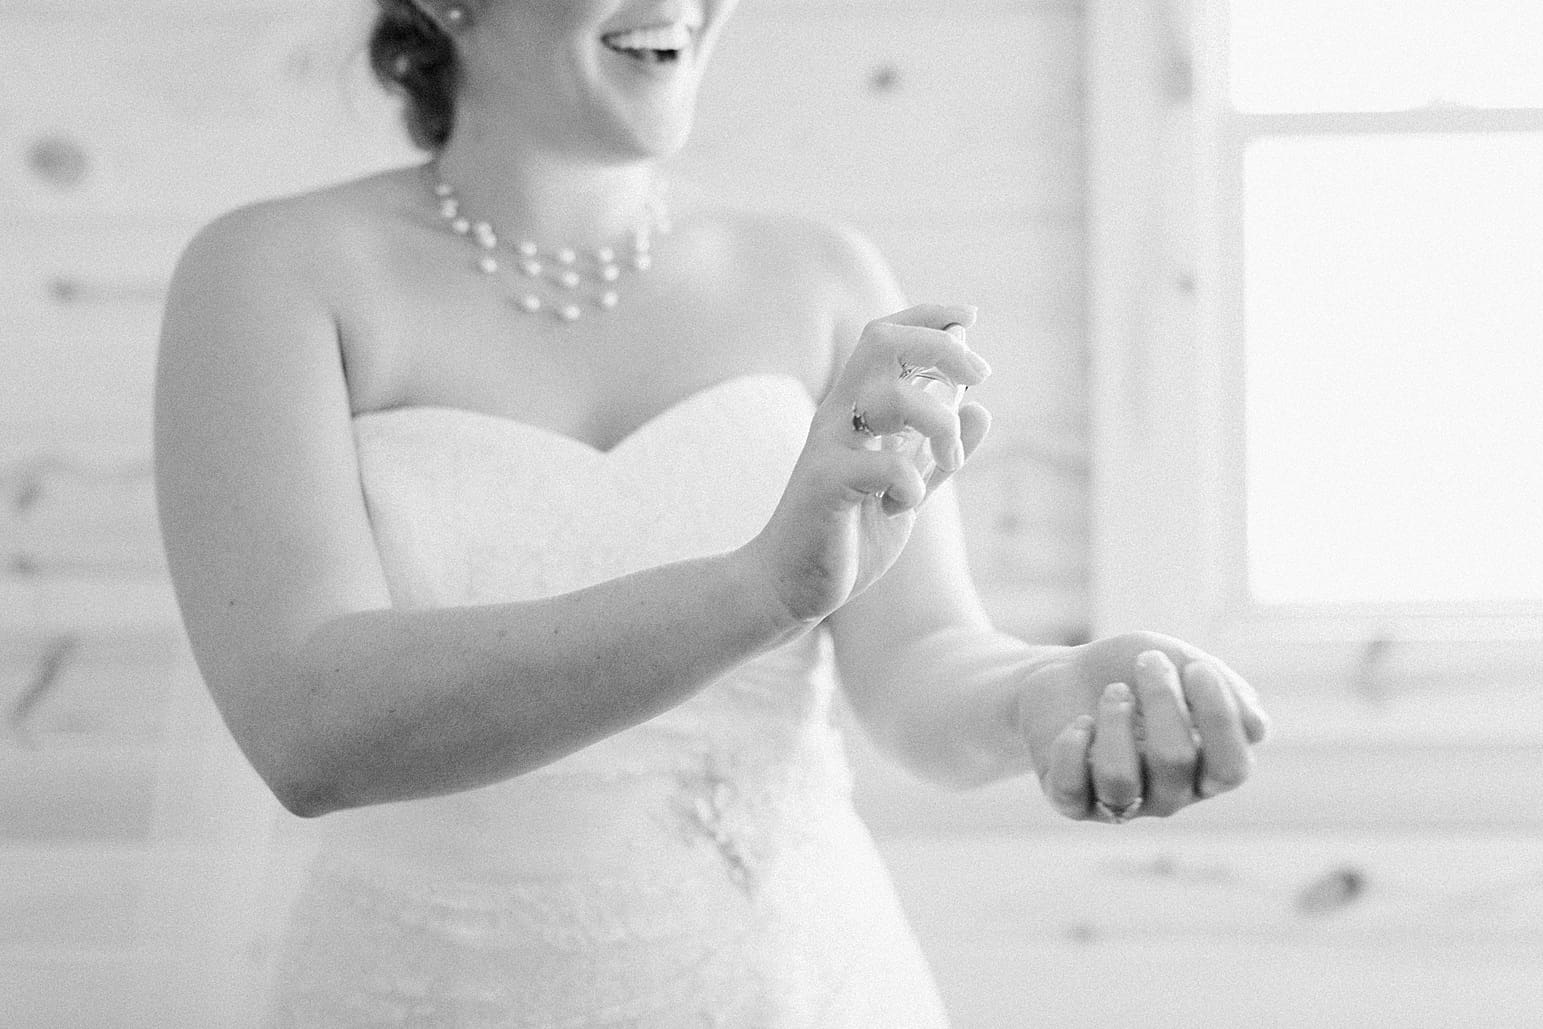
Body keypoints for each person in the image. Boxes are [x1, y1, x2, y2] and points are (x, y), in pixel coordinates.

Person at [152, 0, 1269, 1023]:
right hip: (430, 986)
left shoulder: (821, 274)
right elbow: (309, 729)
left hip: (798, 979)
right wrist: (755, 592)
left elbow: (920, 662)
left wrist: (1045, 691)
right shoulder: (274, 272)